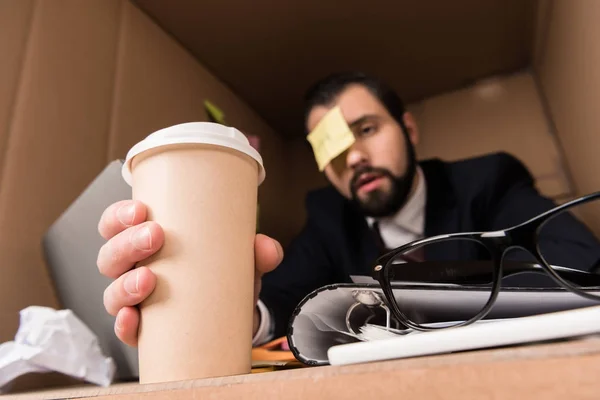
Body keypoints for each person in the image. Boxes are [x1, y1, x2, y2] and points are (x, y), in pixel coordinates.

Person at [96, 71, 600, 348]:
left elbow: (580, 262)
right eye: (332, 149)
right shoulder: (327, 219)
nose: (353, 157)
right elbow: (275, 301)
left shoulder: (487, 181)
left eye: (366, 131)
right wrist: (210, 307)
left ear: (409, 129)